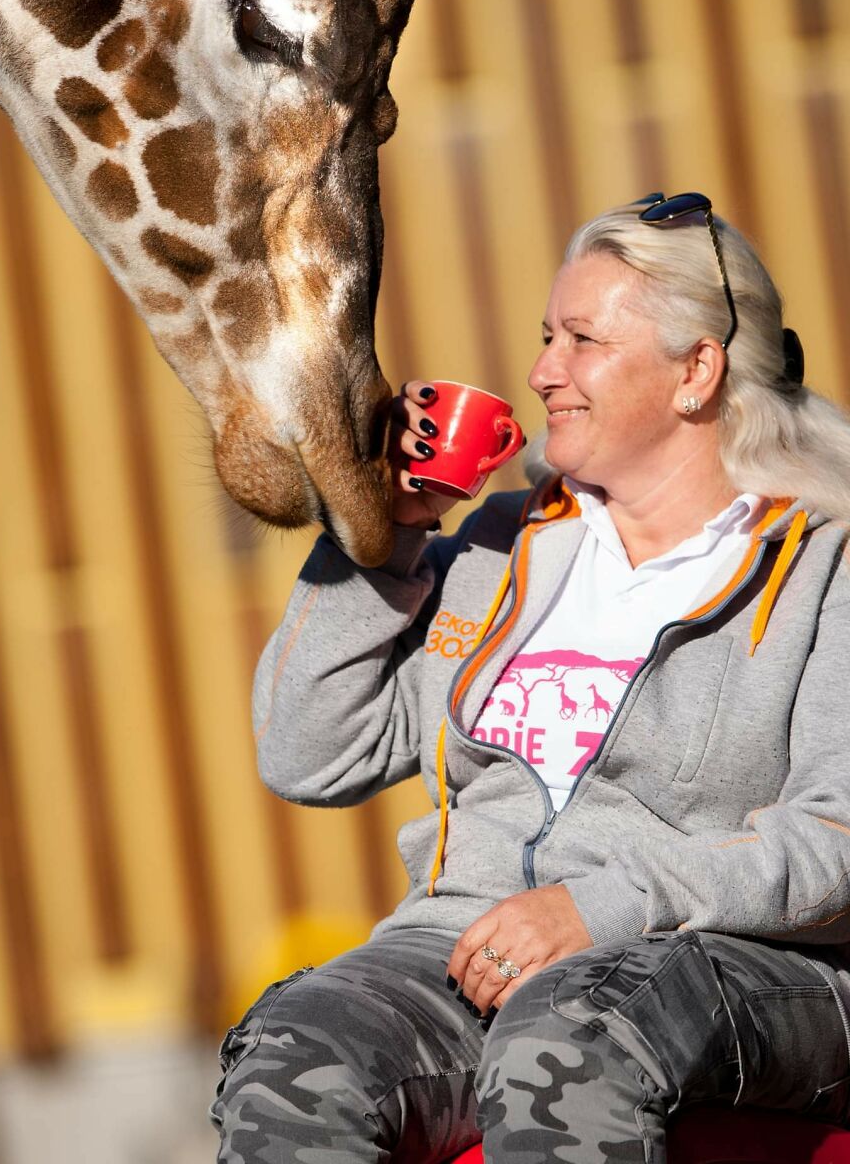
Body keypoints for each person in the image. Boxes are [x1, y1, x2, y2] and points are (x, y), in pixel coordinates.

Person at [210, 193, 850, 1163]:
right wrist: (384, 540)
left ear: (695, 371)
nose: (541, 371)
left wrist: (599, 907)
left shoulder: (820, 560)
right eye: (546, 337)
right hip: (466, 943)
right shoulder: (502, 548)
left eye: (580, 339)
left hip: (740, 965)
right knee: (298, 1050)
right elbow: (310, 754)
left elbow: (835, 836)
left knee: (570, 1035)